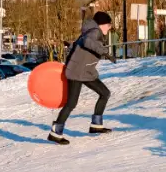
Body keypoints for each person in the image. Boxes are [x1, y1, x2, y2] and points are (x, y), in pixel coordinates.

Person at [48, 11, 116, 145]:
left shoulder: (91, 31)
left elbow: (80, 44)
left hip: (85, 73)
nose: (109, 27)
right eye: (108, 25)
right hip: (77, 73)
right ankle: (55, 132)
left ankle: (96, 125)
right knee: (71, 103)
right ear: (102, 24)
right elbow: (87, 42)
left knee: (105, 93)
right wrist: (105, 52)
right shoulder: (94, 32)